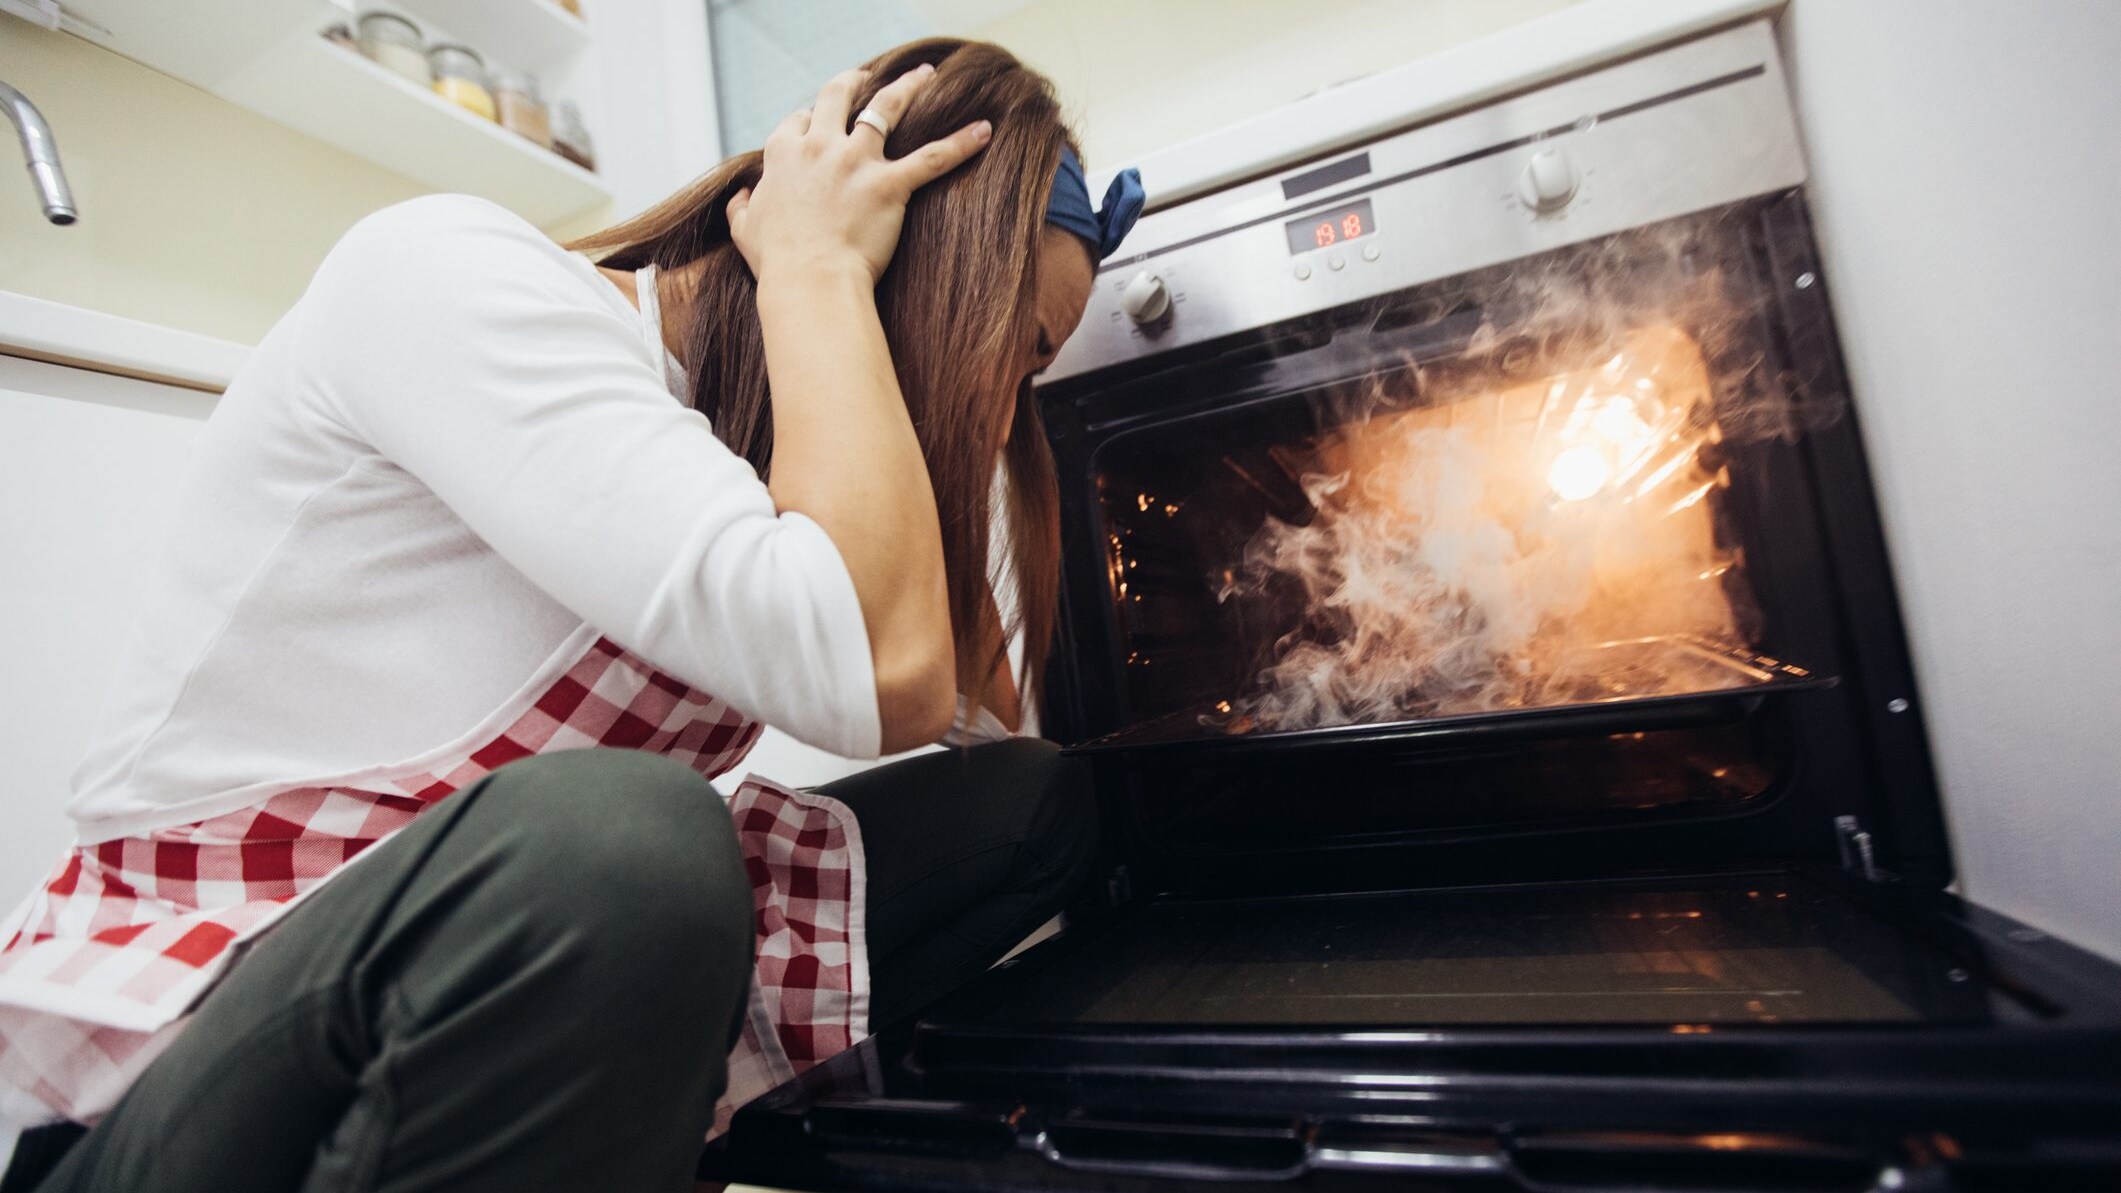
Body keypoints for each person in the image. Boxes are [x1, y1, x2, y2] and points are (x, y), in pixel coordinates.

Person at [0, 37, 1142, 1191]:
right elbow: (881, 673)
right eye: (1014, 356)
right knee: (632, 844)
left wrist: (926, 416)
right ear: (912, 260)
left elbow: (965, 712)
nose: (1005, 414)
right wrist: (815, 270)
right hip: (197, 1058)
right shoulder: (458, 278)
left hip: (484, 982)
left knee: (1032, 803)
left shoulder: (760, 433)